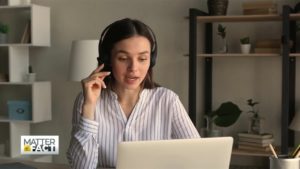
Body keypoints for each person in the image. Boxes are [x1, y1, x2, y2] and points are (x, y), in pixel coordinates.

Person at [67, 18, 200, 169]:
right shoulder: (86, 102)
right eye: (123, 58)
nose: (134, 68)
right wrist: (89, 106)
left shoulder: (168, 101)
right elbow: (81, 167)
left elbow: (199, 159)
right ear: (108, 59)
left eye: (142, 58)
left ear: (152, 60)